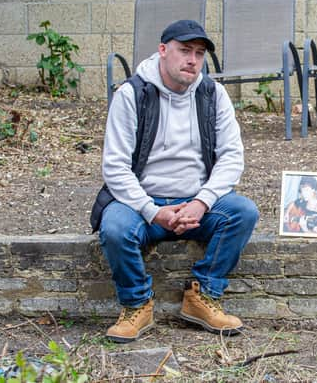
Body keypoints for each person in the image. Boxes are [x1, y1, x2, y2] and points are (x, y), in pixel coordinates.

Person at [96, 19, 259, 343]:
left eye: (199, 54)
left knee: (242, 212)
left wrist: (202, 202)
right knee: (114, 227)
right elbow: (114, 167)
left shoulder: (213, 94)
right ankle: (136, 305)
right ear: (162, 51)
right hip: (143, 204)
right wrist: (152, 211)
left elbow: (231, 157)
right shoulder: (132, 95)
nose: (192, 60)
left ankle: (202, 296)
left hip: (196, 202)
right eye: (185, 51)